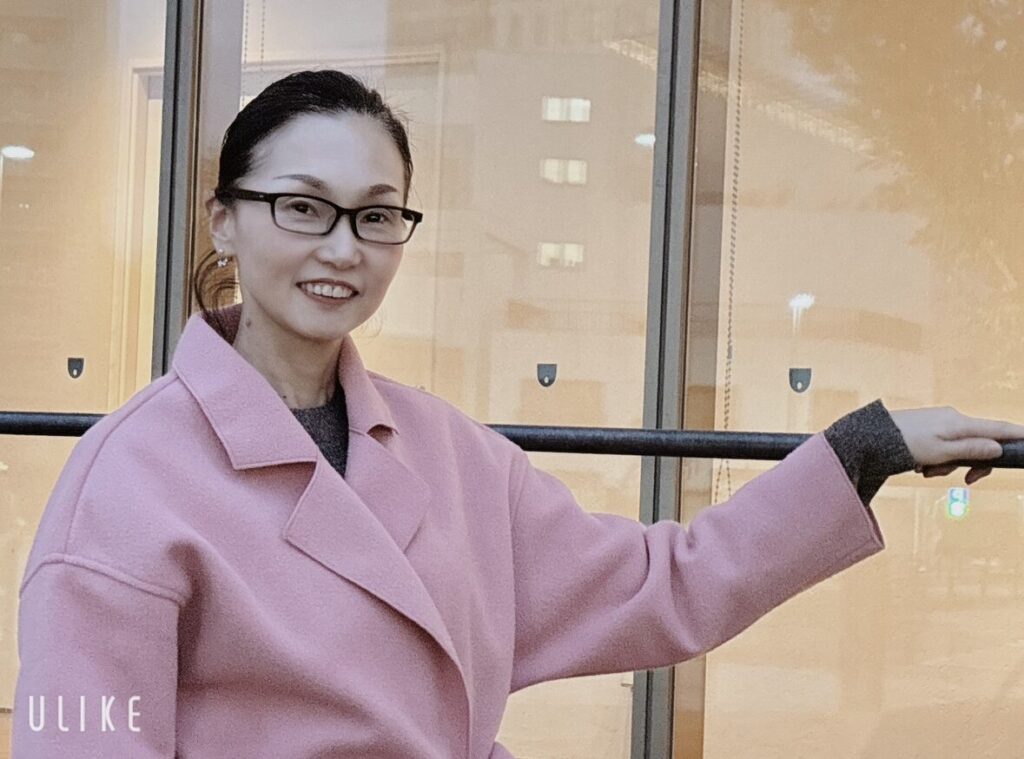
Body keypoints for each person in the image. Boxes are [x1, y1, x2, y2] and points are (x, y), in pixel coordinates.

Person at [10, 69, 1024, 759]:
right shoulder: (128, 480)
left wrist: (861, 451)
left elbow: (663, 583)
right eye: (303, 207)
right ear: (225, 220)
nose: (343, 247)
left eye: (376, 215)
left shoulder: (449, 452)